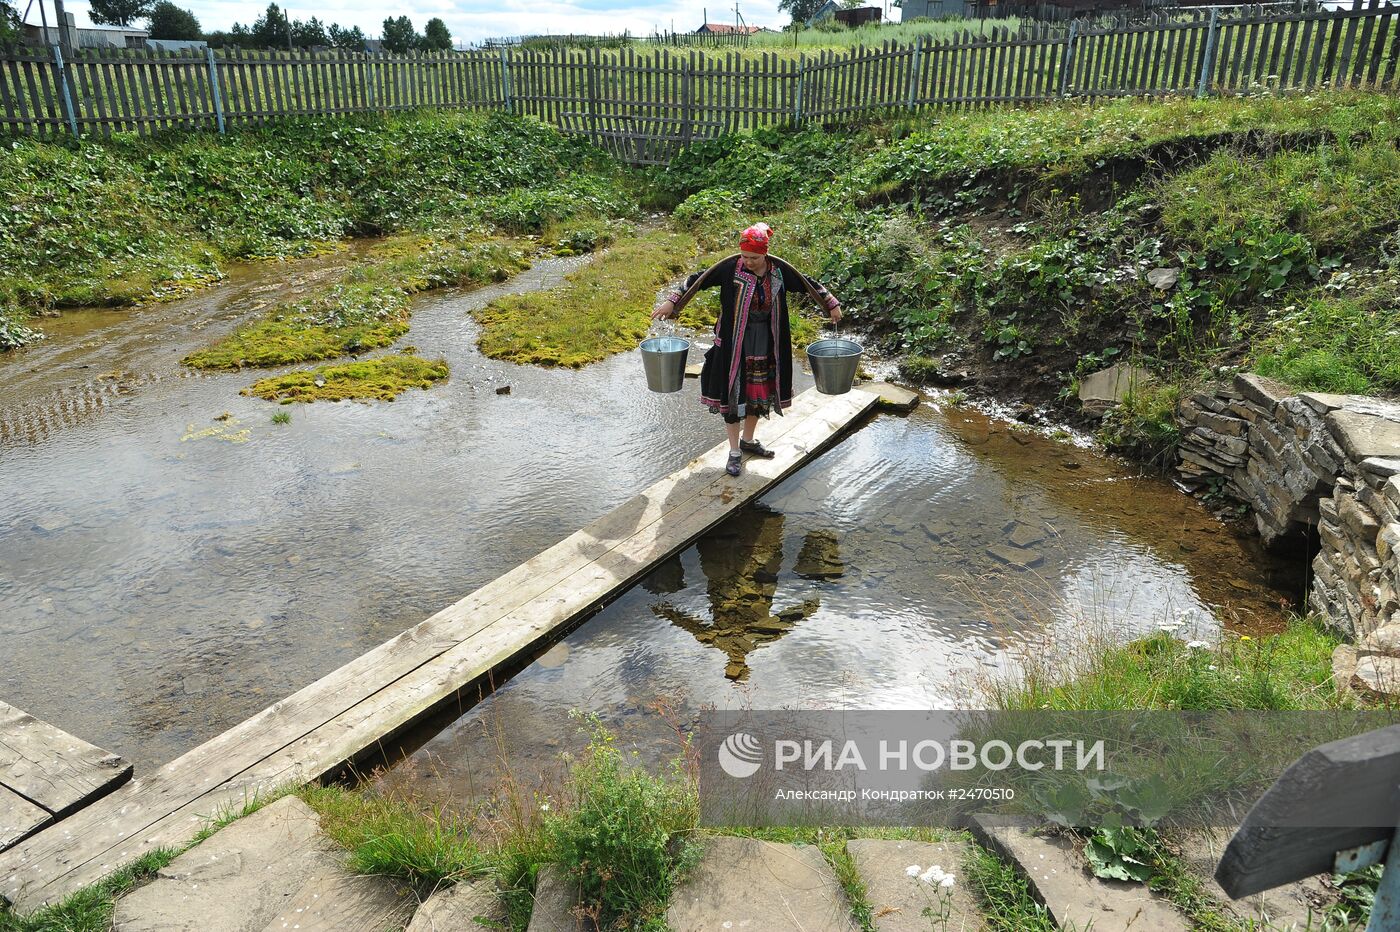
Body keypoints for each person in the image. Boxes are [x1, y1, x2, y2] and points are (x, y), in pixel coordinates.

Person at [652, 223, 842, 476]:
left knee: (757, 393)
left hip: (767, 341)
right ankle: (734, 452)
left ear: (765, 253)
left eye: (754, 257)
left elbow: (808, 283)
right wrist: (672, 302)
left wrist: (831, 305)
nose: (748, 262)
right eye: (744, 256)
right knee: (732, 395)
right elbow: (697, 279)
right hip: (733, 343)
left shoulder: (779, 270)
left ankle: (748, 440)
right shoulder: (729, 268)